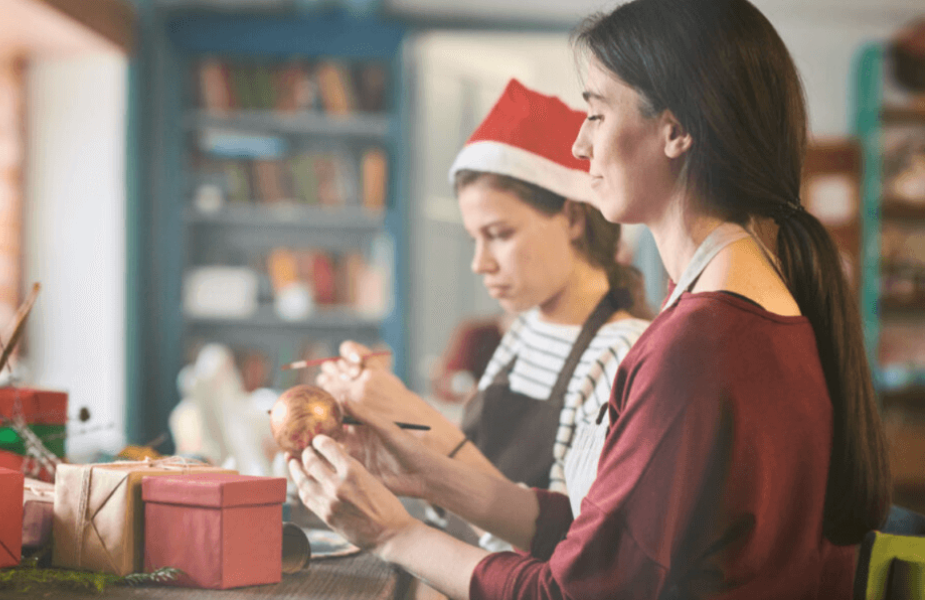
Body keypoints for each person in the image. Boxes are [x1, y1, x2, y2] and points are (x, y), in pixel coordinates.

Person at [290, 1, 892, 598]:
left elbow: (572, 593)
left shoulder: (701, 344)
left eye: (597, 114)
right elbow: (605, 540)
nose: (580, 145)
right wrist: (429, 476)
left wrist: (391, 534)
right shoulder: (746, 307)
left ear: (676, 131)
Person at [318, 79, 652, 511]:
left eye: (498, 235)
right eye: (475, 238)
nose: (480, 263)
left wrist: (412, 417)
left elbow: (563, 540)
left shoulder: (623, 353)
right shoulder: (525, 331)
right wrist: (389, 431)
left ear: (572, 218)